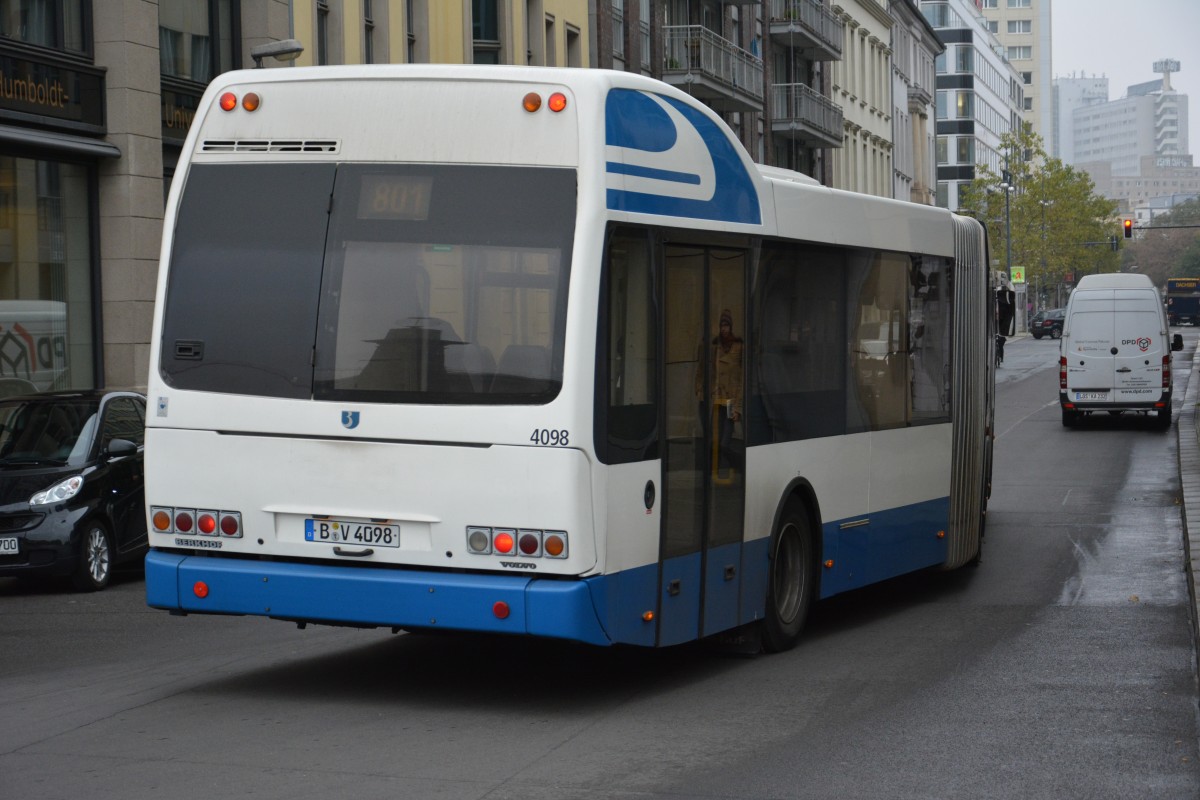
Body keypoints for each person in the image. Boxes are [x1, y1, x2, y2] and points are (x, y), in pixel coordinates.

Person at [696, 309, 744, 477]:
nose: (724, 328)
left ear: (731, 327)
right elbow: (706, 368)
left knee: (725, 443)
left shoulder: (738, 347)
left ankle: (739, 463)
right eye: (722, 325)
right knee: (712, 440)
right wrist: (701, 390)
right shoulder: (715, 346)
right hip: (717, 398)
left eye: (727, 325)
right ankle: (708, 474)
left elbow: (741, 380)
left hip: (731, 401)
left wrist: (737, 408)